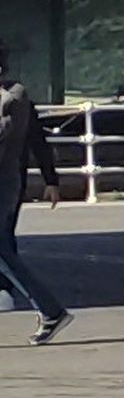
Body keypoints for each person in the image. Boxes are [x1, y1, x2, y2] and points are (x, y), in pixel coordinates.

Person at [0, 43, 71, 345]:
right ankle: (50, 309)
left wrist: (50, 178)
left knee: (3, 251)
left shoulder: (13, 98)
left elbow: (22, 138)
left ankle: (50, 310)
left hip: (3, 183)